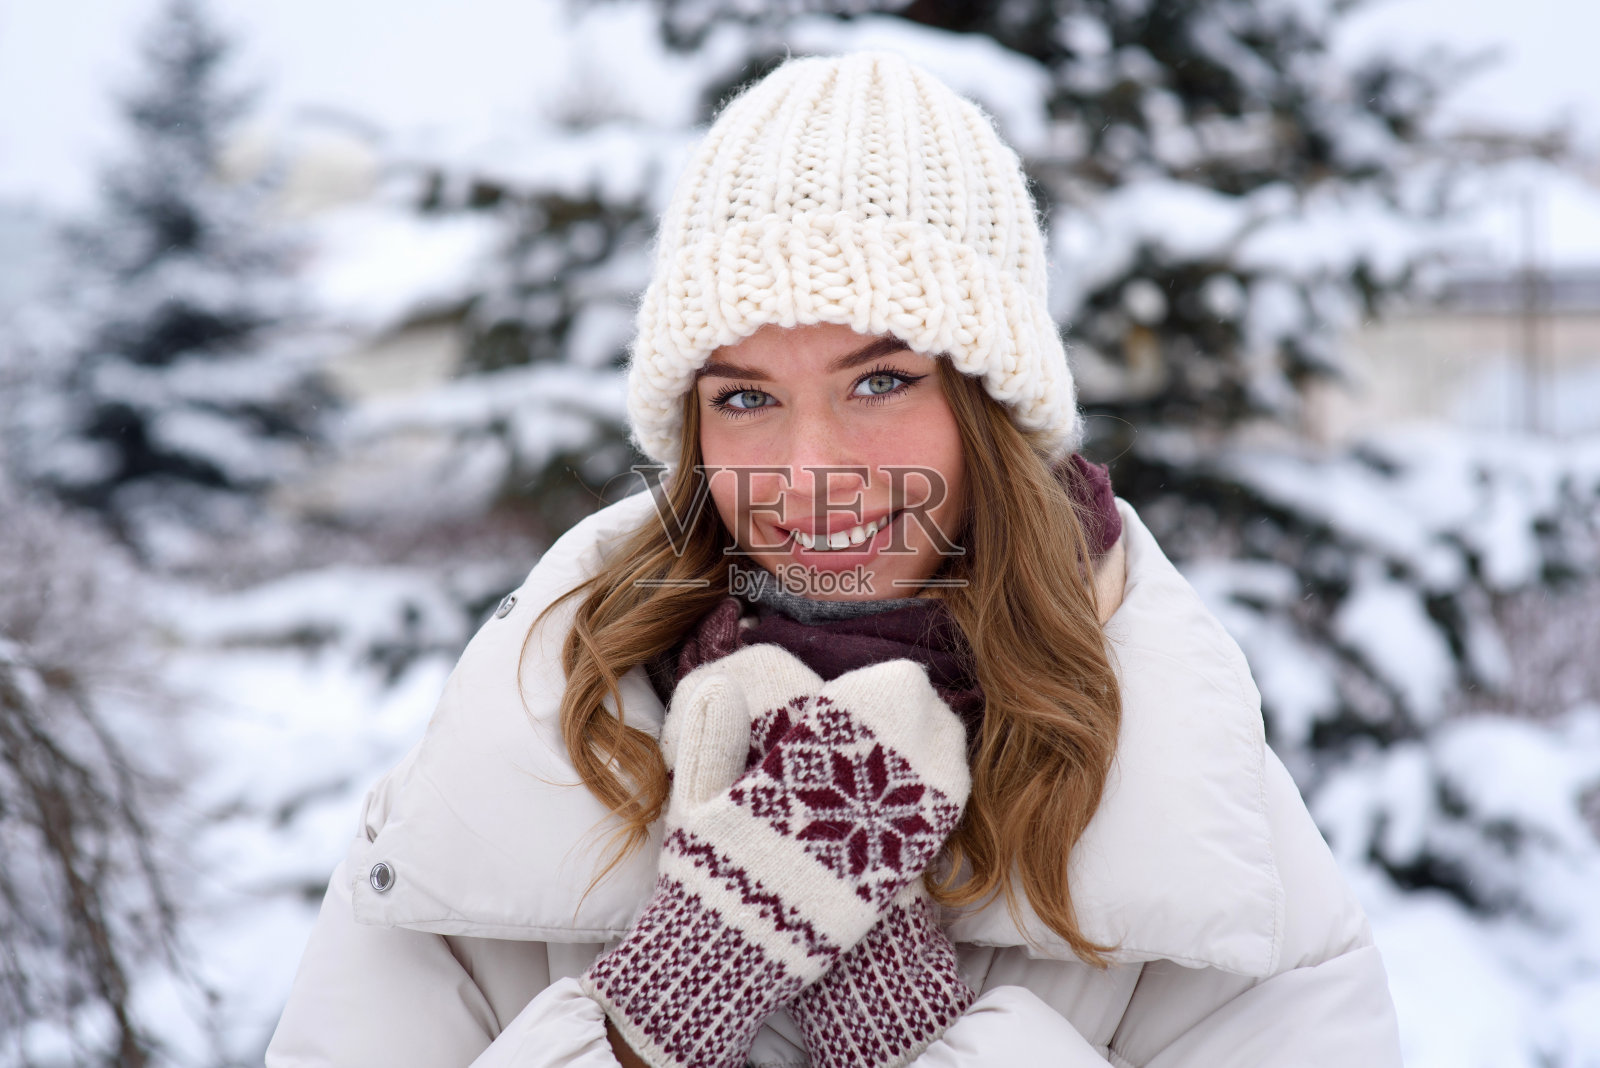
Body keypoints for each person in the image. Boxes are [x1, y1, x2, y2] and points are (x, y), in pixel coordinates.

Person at [266, 52, 1404, 1067]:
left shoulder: (1188, 787)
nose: (809, 469)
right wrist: (649, 1019)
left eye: (880, 382)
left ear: (989, 408)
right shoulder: (524, 731)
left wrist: (914, 1041)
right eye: (747, 397)